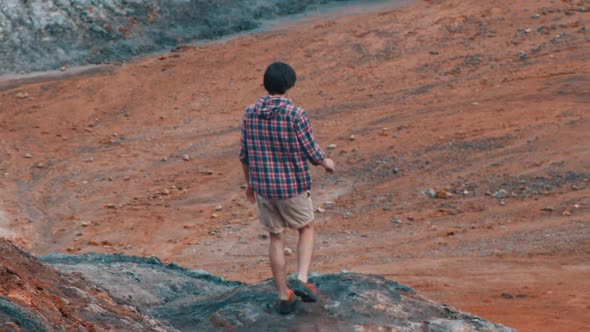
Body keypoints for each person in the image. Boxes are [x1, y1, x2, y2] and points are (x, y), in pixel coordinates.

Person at [239, 62, 335, 314]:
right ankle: (301, 279)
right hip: (291, 186)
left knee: (276, 237)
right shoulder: (295, 114)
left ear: (265, 84)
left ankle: (284, 295)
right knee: (306, 227)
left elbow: (244, 154)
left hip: (263, 188)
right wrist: (326, 162)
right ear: (290, 85)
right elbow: (311, 150)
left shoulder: (250, 112)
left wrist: (249, 185)